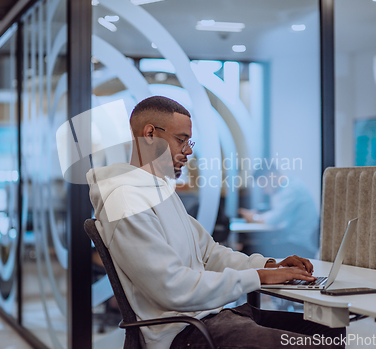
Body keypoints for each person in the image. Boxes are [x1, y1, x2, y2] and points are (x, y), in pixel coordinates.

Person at [87, 96, 344, 349]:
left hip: (210, 317)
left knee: (330, 331)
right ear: (150, 135)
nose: (188, 151)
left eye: (190, 141)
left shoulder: (160, 192)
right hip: (183, 332)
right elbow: (173, 288)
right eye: (181, 140)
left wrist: (269, 266)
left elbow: (209, 253)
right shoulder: (125, 200)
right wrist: (259, 277)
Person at [239, 168, 319, 258]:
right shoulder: (290, 186)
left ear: (270, 176)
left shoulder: (292, 189)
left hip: (299, 246)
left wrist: (254, 218)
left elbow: (274, 219)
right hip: (293, 243)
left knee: (247, 251)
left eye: (262, 185)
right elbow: (276, 214)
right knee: (251, 248)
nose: (264, 191)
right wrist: (257, 216)